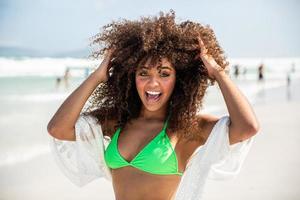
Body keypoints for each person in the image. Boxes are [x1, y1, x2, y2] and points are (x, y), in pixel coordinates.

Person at [47, 10, 259, 200]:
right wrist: (97, 76)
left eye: (164, 74)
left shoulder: (188, 128)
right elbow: (58, 129)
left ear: (180, 79)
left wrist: (217, 72)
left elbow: (247, 127)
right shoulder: (116, 120)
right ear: (132, 77)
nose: (153, 83)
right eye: (143, 73)